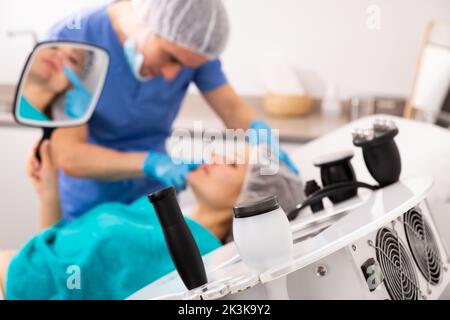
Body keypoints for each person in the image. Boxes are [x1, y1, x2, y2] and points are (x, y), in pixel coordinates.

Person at [43, 0, 299, 221]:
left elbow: (232, 108)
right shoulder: (75, 41)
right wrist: (151, 162)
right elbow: (70, 155)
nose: (171, 75)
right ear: (148, 20)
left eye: (185, 66)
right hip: (91, 205)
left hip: (156, 202)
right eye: (171, 58)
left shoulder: (192, 47)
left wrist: (263, 137)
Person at [1, 141, 303, 299]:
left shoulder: (194, 258)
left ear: (250, 201)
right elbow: (62, 262)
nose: (216, 156)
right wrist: (49, 194)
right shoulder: (166, 214)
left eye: (234, 164)